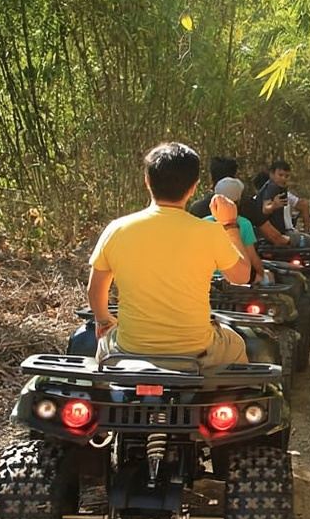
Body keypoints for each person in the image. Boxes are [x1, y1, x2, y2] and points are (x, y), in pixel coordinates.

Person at [86, 142, 249, 366]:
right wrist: (230, 225)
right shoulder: (209, 231)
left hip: (129, 349)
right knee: (237, 344)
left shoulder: (116, 229)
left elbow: (95, 291)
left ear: (147, 181)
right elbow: (242, 277)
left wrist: (104, 320)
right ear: (194, 187)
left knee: (103, 351)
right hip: (196, 350)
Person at [203, 177, 266, 284]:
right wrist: (262, 274)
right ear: (238, 201)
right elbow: (252, 257)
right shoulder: (244, 224)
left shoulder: (204, 223)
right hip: (237, 278)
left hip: (209, 279)